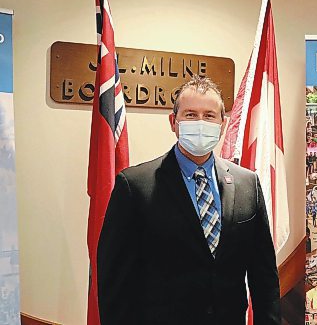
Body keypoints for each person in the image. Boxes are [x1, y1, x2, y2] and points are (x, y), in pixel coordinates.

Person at [97, 76, 280, 325]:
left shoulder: (248, 183)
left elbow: (264, 276)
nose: (200, 123)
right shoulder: (135, 186)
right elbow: (115, 283)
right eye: (191, 115)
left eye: (209, 115)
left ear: (223, 124)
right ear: (174, 122)